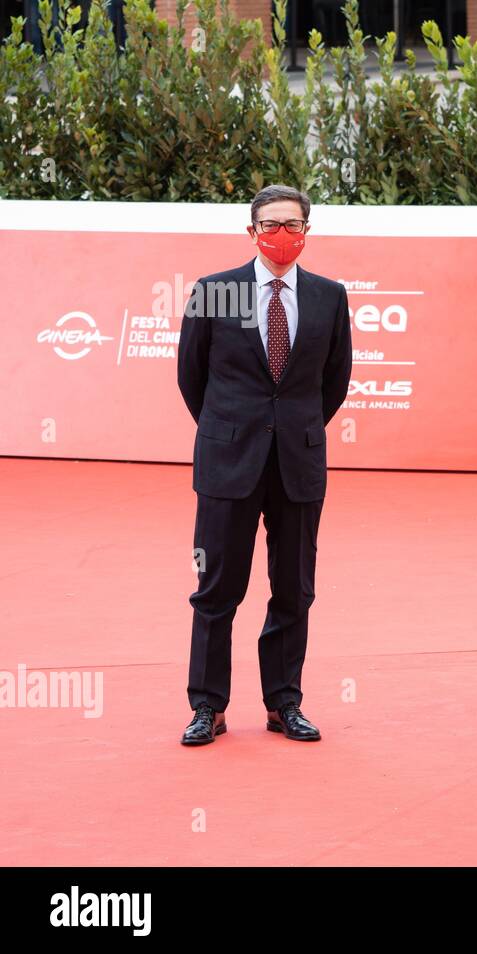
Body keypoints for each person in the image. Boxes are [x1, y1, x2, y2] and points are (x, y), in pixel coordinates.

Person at [176, 184, 353, 746]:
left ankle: (284, 703)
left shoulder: (329, 297)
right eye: (272, 225)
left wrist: (293, 431)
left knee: (294, 589)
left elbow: (335, 381)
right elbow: (191, 377)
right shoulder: (214, 291)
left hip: (297, 463)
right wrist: (229, 429)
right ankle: (208, 707)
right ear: (251, 231)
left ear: (307, 232)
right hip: (228, 462)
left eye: (294, 225)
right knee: (216, 589)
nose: (283, 235)